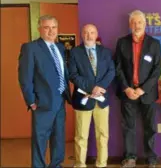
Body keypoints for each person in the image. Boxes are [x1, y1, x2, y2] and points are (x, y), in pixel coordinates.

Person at [18, 15, 71, 167]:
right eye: (46, 27)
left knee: (58, 137)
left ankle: (56, 165)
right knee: (40, 140)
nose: (51, 31)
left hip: (60, 100)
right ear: (39, 29)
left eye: (54, 27)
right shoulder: (31, 48)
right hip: (42, 103)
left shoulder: (60, 47)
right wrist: (31, 101)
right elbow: (24, 77)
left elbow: (62, 72)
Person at [115, 10, 161, 168]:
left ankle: (151, 158)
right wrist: (127, 88)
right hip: (128, 92)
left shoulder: (154, 44)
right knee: (129, 127)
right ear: (130, 25)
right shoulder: (122, 42)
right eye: (134, 22)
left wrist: (142, 89)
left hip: (147, 93)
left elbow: (157, 70)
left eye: (140, 22)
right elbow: (118, 68)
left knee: (150, 127)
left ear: (145, 24)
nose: (137, 25)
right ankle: (130, 158)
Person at [69, 24, 115, 168]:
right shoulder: (74, 52)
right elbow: (73, 75)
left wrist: (100, 87)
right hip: (83, 100)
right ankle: (80, 164)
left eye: (92, 32)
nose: (89, 35)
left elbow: (111, 71)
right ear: (82, 35)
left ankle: (101, 164)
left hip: (101, 100)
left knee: (103, 136)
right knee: (81, 136)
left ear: (96, 34)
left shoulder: (105, 52)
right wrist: (91, 87)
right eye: (86, 33)